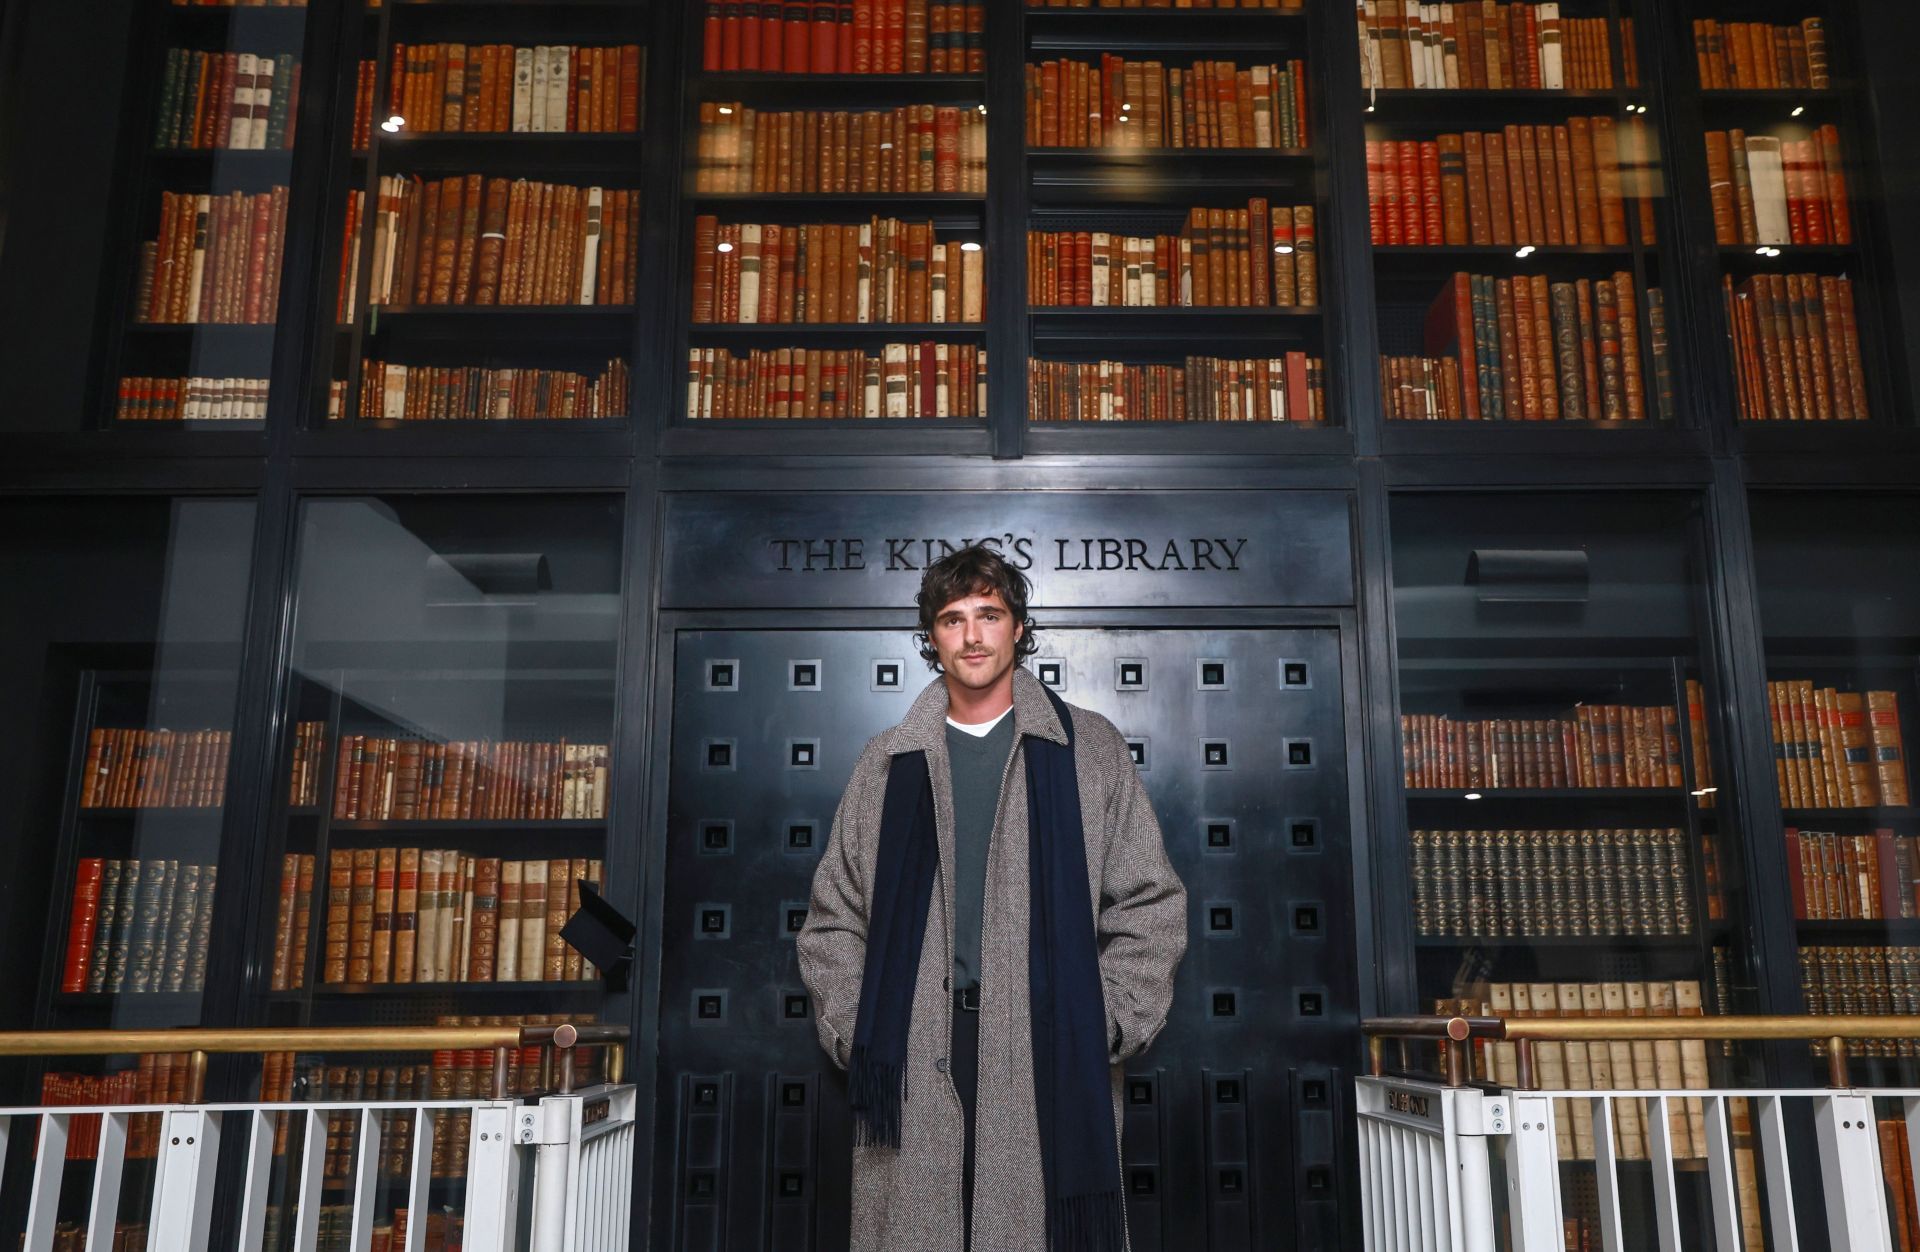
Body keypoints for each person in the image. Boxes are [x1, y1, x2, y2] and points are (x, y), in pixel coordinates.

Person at [797, 545, 1188, 1252]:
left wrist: (1103, 1022)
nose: (972, 635)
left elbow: (1150, 903)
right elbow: (833, 920)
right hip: (913, 1046)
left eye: (989, 614)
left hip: (1048, 1042)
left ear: (1017, 628)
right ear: (933, 638)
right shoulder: (887, 761)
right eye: (952, 619)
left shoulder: (1088, 750)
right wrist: (861, 1031)